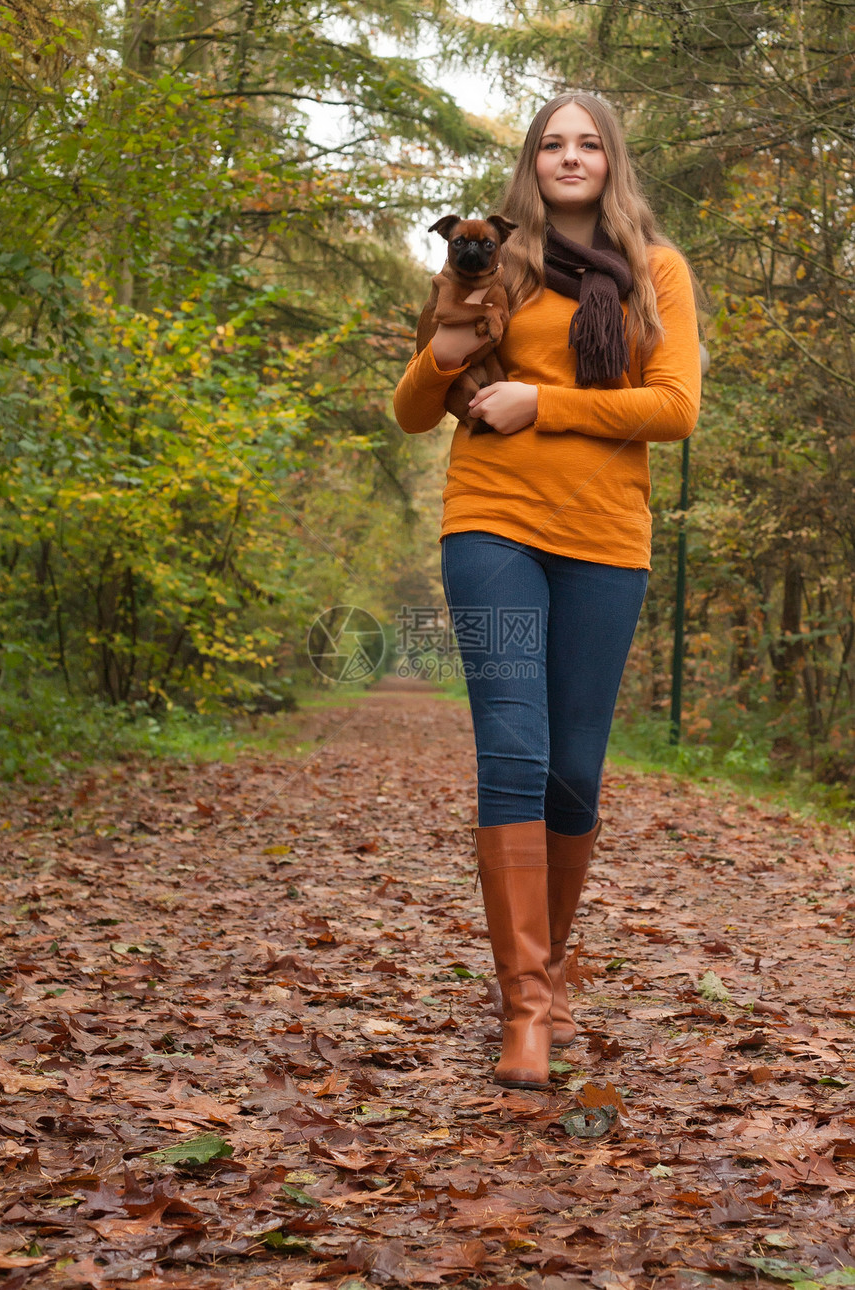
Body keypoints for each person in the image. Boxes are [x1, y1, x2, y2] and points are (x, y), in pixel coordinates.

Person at [393, 91, 702, 1091]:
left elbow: (672, 408)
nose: (569, 158)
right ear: (531, 161)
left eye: (587, 144)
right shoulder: (492, 260)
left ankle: (552, 970)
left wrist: (543, 402)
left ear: (611, 160)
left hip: (605, 538)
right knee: (515, 751)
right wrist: (443, 357)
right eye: (551, 144)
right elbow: (411, 409)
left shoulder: (655, 272)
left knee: (572, 769)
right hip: (490, 524)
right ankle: (523, 1005)